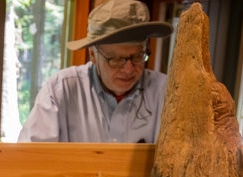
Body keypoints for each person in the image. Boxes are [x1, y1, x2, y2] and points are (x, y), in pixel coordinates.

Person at [18, 0, 174, 143]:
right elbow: (30, 159)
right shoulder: (60, 91)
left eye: (138, 56)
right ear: (93, 54)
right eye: (115, 59)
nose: (129, 69)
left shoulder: (166, 94)